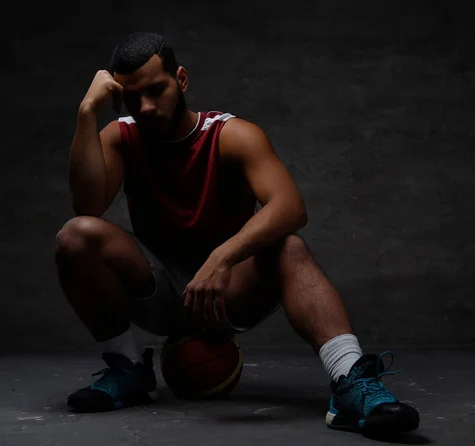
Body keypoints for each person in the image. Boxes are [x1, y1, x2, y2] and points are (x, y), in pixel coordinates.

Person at [55, 31, 420, 435]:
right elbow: (87, 206)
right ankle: (127, 370)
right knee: (76, 235)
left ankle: (350, 380)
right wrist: (88, 111)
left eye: (156, 90)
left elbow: (290, 207)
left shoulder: (230, 135)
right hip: (159, 294)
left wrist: (223, 257)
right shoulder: (120, 137)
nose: (146, 107)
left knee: (289, 247)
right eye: (132, 96)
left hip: (227, 289)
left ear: (181, 79)